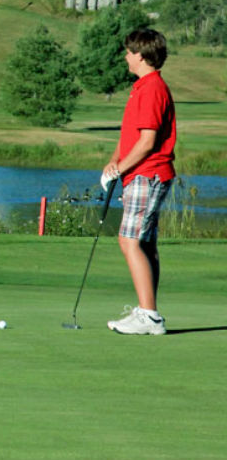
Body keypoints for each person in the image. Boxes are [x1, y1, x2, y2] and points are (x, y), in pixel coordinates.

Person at [103, 28, 177, 336]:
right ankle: (148, 311)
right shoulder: (142, 87)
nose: (126, 56)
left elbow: (146, 143)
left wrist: (118, 169)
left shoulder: (151, 89)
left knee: (129, 240)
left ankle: (149, 316)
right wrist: (113, 161)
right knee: (144, 243)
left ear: (142, 56)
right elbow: (131, 135)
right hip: (143, 173)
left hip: (148, 173)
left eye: (130, 52)